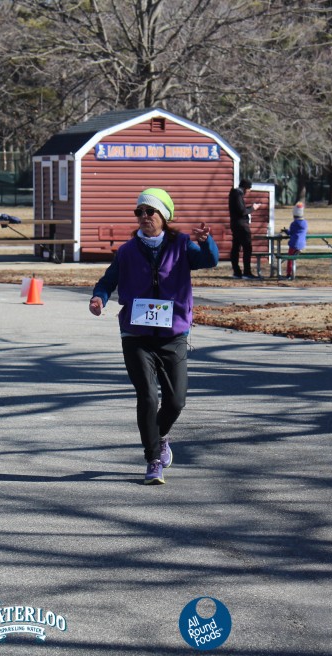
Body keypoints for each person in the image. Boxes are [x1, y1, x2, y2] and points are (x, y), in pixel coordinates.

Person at [89, 188, 218, 485]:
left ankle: (160, 436)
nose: (144, 217)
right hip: (135, 334)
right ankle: (153, 459)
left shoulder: (182, 245)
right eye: (140, 212)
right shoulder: (127, 251)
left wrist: (206, 242)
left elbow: (208, 260)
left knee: (176, 401)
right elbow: (108, 281)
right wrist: (98, 298)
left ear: (164, 216)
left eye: (150, 211)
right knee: (147, 395)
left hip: (173, 333)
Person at [228, 178, 260, 278]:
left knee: (236, 248)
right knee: (247, 248)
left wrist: (249, 208)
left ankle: (237, 272)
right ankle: (247, 272)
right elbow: (242, 212)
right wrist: (253, 208)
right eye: (249, 189)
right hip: (241, 225)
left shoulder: (234, 194)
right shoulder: (237, 194)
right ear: (246, 188)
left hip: (235, 224)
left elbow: (240, 209)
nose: (249, 191)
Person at [284, 202, 308, 280]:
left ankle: (289, 274)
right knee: (293, 257)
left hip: (294, 243)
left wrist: (286, 231)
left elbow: (291, 233)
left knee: (290, 259)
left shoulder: (294, 224)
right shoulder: (305, 223)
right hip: (302, 244)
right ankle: (298, 251)